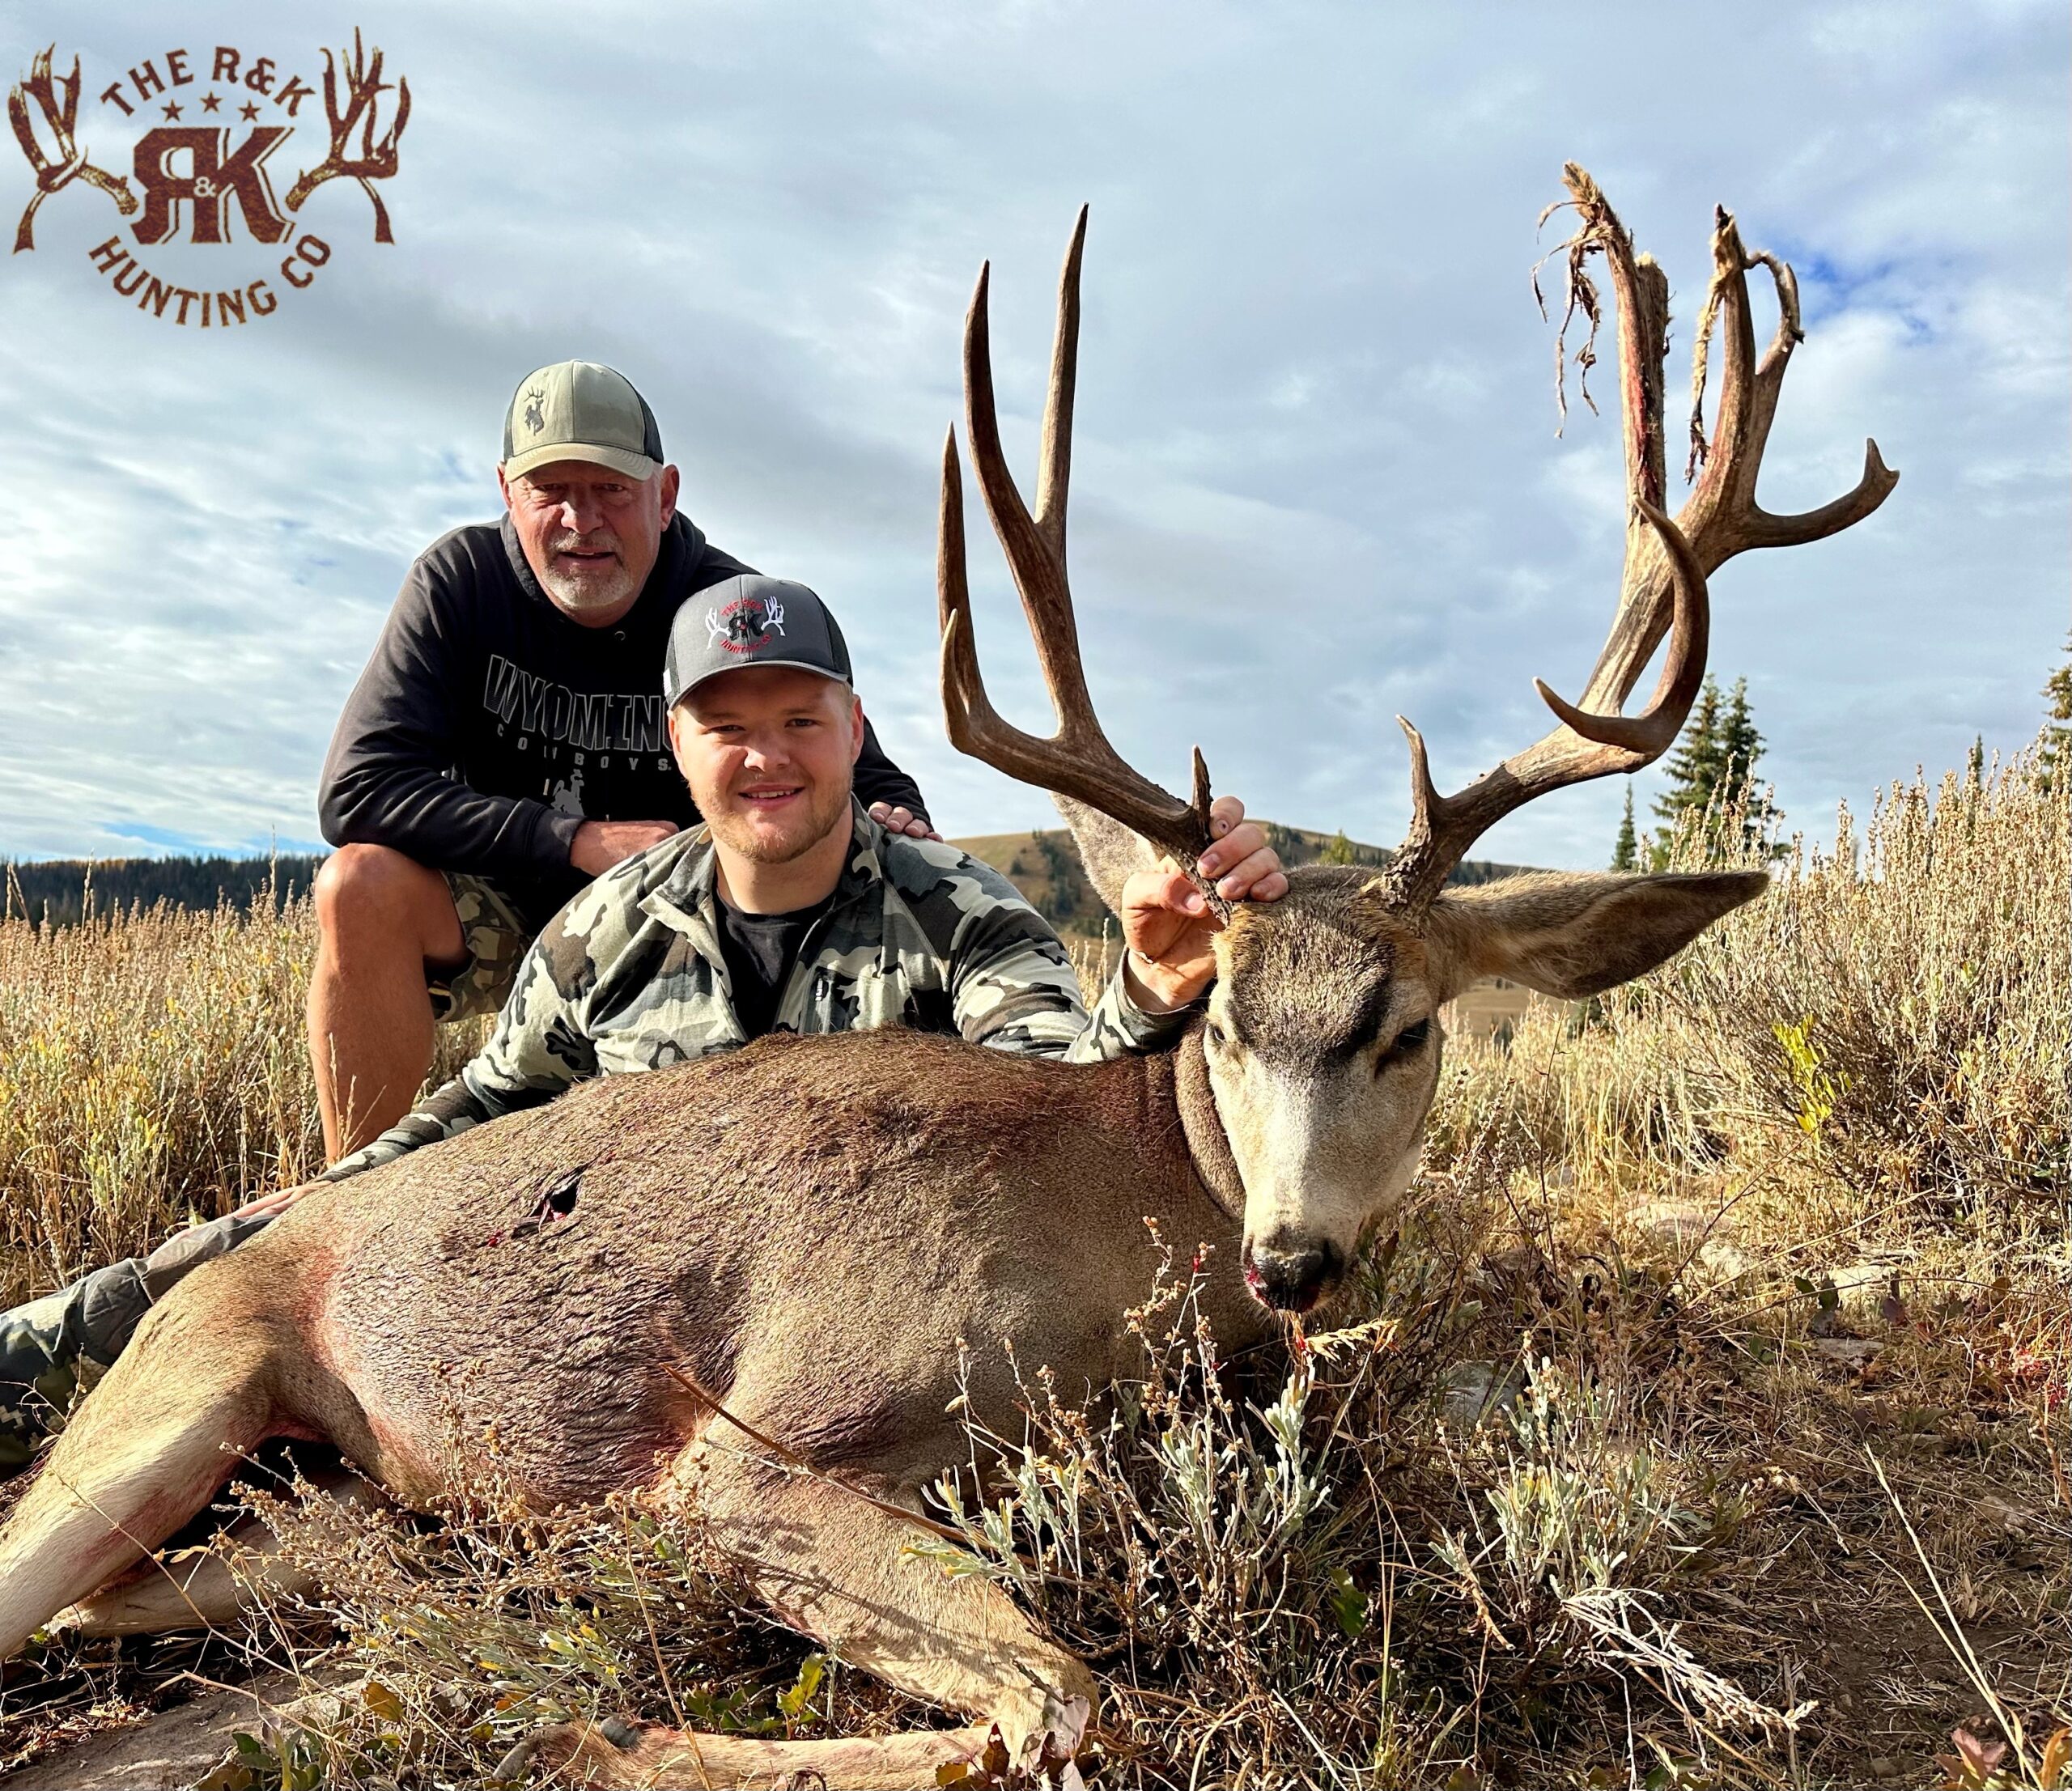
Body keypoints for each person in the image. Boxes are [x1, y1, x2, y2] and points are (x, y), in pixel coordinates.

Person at [0, 576, 1287, 1475]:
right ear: (678, 743)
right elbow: (482, 1110)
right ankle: (31, 1377)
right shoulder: (608, 925)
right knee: (233, 1277)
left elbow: (1068, 1088)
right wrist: (329, 1204)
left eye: (799, 721)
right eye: (728, 727)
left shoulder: (960, 912)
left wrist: (1152, 980)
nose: (766, 757)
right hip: (611, 1340)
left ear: (853, 730)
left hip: (846, 1369)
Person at [308, 359, 937, 1163]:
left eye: (611, 489)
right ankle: (347, 1199)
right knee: (358, 884)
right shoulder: (459, 582)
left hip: (672, 934)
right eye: (551, 490)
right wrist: (573, 840)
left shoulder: (729, 609)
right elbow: (358, 788)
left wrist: (899, 823)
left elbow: (859, 765)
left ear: (664, 496)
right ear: (507, 492)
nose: (582, 519)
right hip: (501, 908)